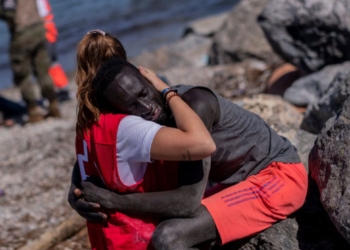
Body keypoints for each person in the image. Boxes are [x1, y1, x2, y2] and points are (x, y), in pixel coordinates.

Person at [69, 30, 308, 249]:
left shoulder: (195, 105)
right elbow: (99, 150)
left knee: (169, 236)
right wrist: (78, 189)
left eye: (144, 94)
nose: (146, 108)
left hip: (277, 176)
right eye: (132, 106)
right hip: (239, 181)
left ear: (150, 79)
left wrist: (114, 201)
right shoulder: (141, 119)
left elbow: (187, 203)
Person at [74, 30, 215, 250]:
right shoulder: (127, 127)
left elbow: (86, 169)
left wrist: (75, 193)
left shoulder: (87, 121)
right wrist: (167, 92)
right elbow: (202, 145)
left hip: (107, 239)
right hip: (139, 237)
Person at [0, 0, 61, 122]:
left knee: (23, 75)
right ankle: (53, 104)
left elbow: (9, 13)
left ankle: (33, 111)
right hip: (38, 28)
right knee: (43, 71)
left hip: (22, 33)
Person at [36, 0, 71, 102]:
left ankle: (62, 89)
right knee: (50, 62)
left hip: (46, 30)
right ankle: (59, 89)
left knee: (51, 62)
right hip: (46, 29)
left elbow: (42, 15)